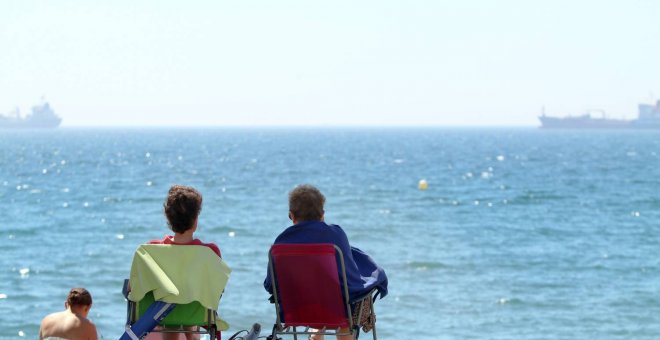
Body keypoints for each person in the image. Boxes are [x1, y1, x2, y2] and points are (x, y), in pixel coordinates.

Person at [264, 184, 388, 340]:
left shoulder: (280, 243)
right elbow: (350, 280)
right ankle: (326, 331)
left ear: (291, 216)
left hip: (296, 311)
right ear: (322, 215)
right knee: (348, 306)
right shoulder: (335, 235)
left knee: (322, 298)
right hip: (337, 311)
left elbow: (271, 286)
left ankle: (316, 333)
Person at [148, 184, 222, 340]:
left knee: (171, 306)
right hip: (196, 313)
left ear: (168, 218)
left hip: (162, 314)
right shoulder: (210, 252)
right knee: (187, 303)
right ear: (195, 221)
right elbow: (217, 291)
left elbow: (133, 289)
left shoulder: (152, 250)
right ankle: (192, 333)